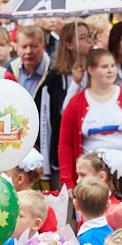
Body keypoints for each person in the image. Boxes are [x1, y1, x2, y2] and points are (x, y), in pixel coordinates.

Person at [57, 48, 122, 192]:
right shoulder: (75, 103)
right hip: (91, 176)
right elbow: (64, 144)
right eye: (104, 67)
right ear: (90, 70)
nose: (110, 71)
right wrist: (67, 182)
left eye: (113, 66)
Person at [34, 20, 93, 189]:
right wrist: (75, 83)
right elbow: (61, 115)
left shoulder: (96, 69)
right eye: (82, 37)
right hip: (65, 154)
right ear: (69, 44)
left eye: (89, 36)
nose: (89, 41)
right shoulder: (55, 77)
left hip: (92, 149)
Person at [10, 25, 50, 96]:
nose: (29, 51)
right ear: (17, 48)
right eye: (24, 47)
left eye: (34, 46)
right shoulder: (9, 69)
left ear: (43, 47)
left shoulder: (53, 72)